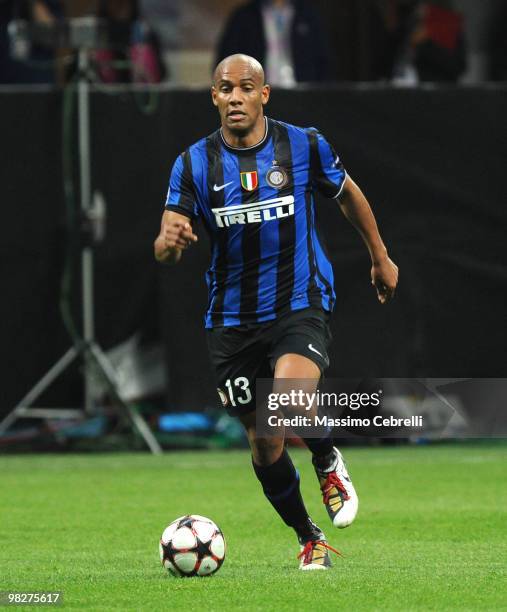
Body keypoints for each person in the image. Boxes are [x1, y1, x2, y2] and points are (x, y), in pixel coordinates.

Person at [154, 54, 398, 570]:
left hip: (298, 301)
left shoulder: (304, 144)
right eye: (225, 89)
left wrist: (379, 255)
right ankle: (309, 538)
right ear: (214, 97)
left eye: (246, 88)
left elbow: (348, 194)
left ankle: (327, 458)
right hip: (231, 321)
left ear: (265, 95)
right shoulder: (193, 163)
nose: (235, 97)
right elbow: (167, 242)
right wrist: (168, 241)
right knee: (264, 444)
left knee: (285, 400)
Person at [215, 0, 331, 85]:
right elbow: (225, 62)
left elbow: (323, 61)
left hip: (302, 94)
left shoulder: (308, 14)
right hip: (257, 97)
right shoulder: (244, 16)